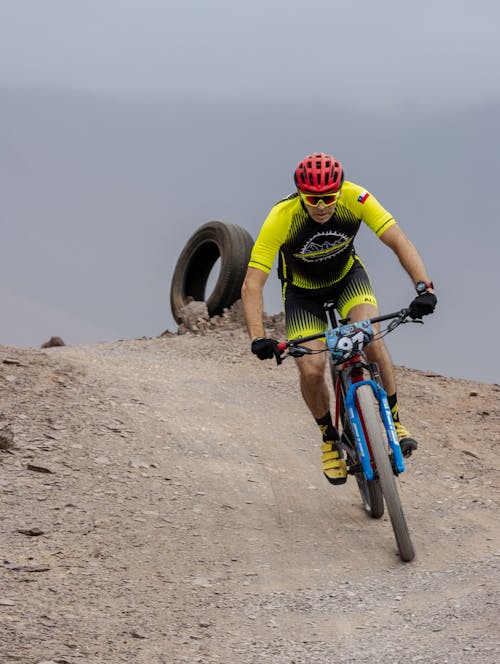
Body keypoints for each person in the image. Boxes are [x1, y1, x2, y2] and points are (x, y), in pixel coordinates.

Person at [241, 152, 437, 485]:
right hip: (303, 295)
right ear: (300, 194)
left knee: (371, 337)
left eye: (328, 197)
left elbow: (397, 240)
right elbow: (252, 283)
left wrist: (424, 287)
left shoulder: (356, 198)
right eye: (312, 199)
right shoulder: (282, 216)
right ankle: (330, 438)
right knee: (312, 368)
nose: (321, 206)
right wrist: (258, 336)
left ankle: (394, 417)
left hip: (348, 280)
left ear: (340, 189)